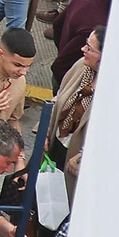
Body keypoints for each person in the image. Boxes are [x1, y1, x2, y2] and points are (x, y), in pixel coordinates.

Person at [49, 25, 103, 201]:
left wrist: (83, 157)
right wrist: (45, 133)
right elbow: (58, 99)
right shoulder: (82, 66)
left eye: (89, 48)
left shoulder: (115, 90)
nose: (83, 49)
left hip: (75, 163)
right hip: (54, 146)